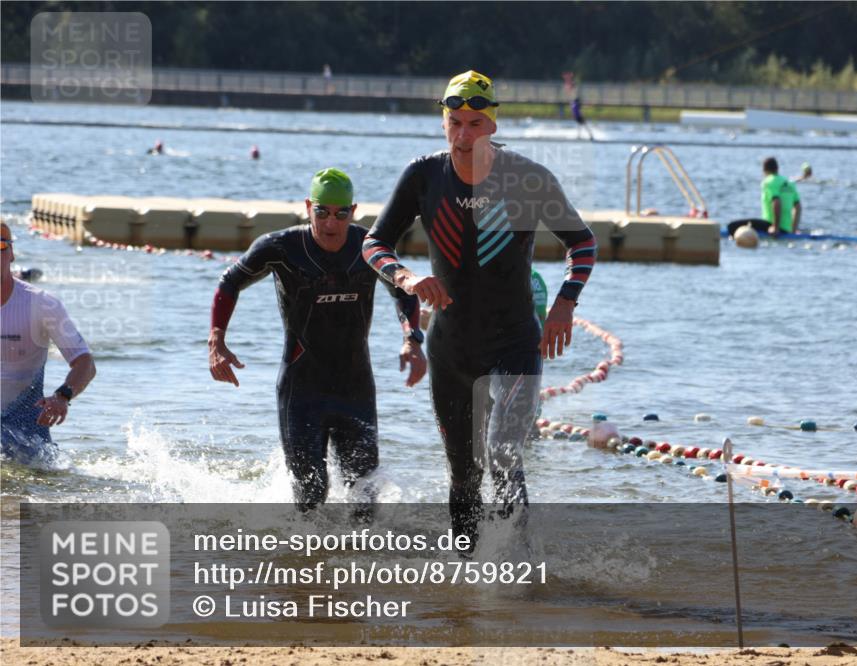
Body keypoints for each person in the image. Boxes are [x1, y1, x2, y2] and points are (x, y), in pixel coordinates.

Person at [362, 70, 597, 547]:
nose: (464, 135)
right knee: (463, 474)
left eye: (474, 124)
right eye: (455, 123)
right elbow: (373, 244)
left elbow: (583, 243)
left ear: (492, 125)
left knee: (503, 453)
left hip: (514, 345)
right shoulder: (423, 176)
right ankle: (466, 573)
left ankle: (515, 565)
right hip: (451, 351)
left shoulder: (527, 178)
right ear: (443, 122)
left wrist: (564, 304)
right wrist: (406, 278)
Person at [208, 168, 426, 512]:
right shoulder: (281, 248)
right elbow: (229, 282)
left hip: (355, 389)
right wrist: (216, 340)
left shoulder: (368, 247)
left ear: (353, 212)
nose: (330, 223)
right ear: (309, 207)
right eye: (322, 212)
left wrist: (412, 340)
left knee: (365, 499)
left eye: (340, 214)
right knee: (310, 498)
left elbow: (404, 290)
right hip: (301, 390)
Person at [1, 222, 96, 464]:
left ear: (11, 254)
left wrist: (62, 396)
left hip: (27, 435)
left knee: (34, 485)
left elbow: (85, 363)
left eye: (0, 247)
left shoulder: (43, 304)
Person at [761, 157, 801, 236]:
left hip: (769, 227)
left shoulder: (768, 181)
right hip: (787, 230)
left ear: (764, 170)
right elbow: (798, 207)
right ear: (777, 168)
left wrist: (775, 228)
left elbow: (776, 202)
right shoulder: (790, 183)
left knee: (735, 226)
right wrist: (793, 230)